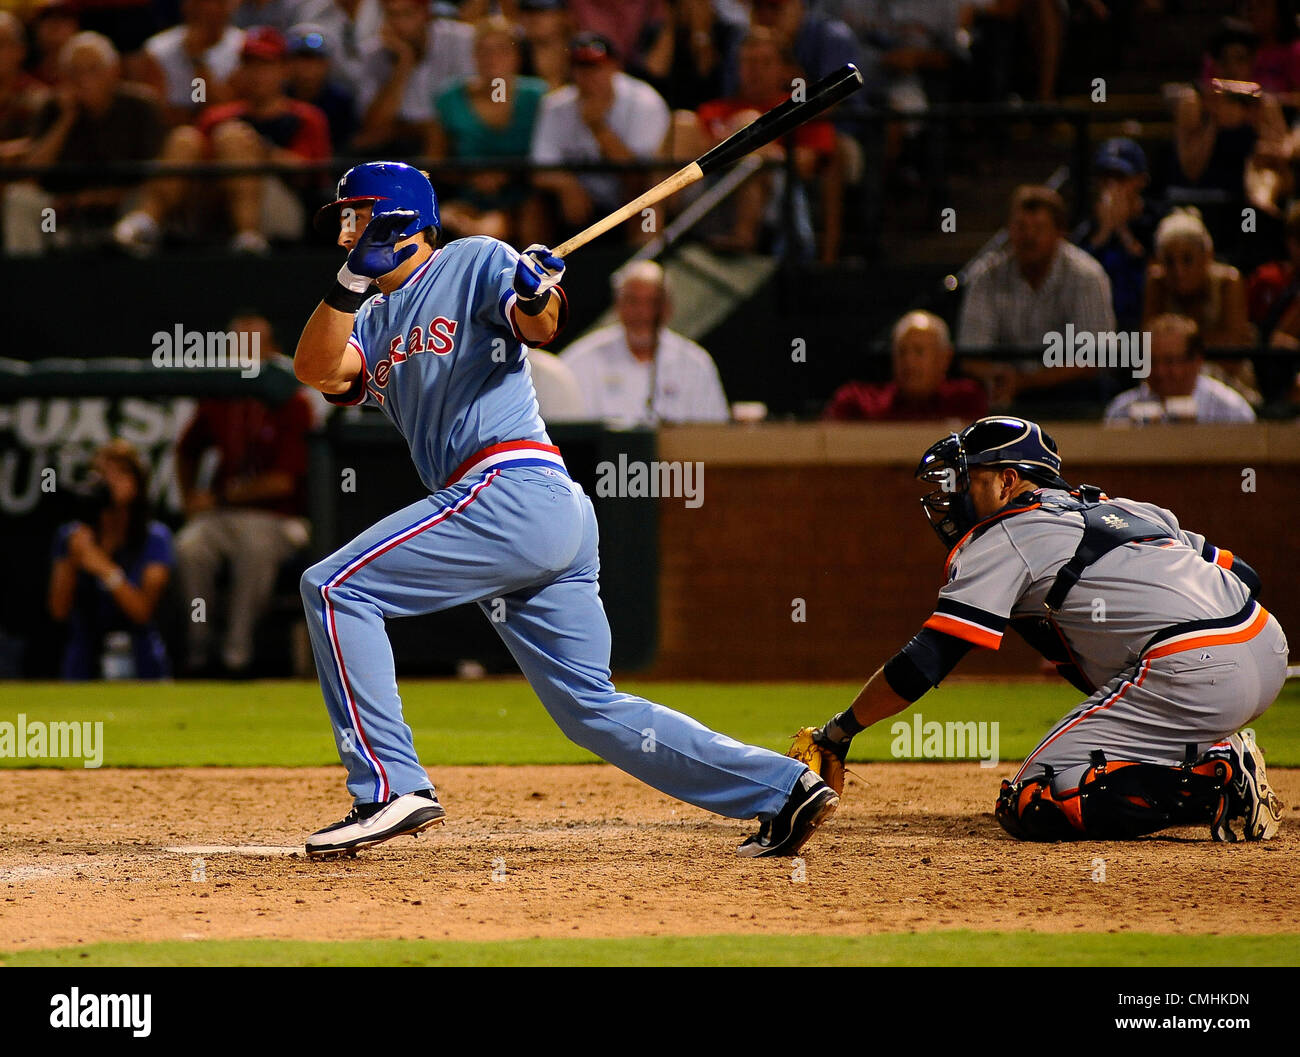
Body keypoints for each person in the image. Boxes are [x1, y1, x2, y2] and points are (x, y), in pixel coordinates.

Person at [292, 161, 834, 858]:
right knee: (591, 711)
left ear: (400, 221)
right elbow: (317, 368)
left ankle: (389, 787)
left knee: (334, 587)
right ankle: (783, 788)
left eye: (355, 216)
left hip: (510, 486)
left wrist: (532, 288)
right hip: (536, 511)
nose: (344, 233)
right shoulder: (369, 315)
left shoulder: (471, 258)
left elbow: (538, 324)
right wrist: (349, 282)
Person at [800, 415, 1286, 842]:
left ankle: (1215, 779)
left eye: (967, 478)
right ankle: (1214, 758)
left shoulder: (1005, 532)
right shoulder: (1124, 508)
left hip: (1189, 669)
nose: (953, 494)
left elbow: (929, 657)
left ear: (1008, 481)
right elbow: (1245, 575)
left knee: (1032, 800)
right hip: (1266, 644)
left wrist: (838, 733)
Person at [173, 312, 314, 676]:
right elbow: (186, 450)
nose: (244, 355)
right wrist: (190, 498)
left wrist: (218, 499)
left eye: (253, 347)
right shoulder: (221, 399)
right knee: (190, 545)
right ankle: (198, 656)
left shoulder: (292, 402)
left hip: (280, 519)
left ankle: (237, 658)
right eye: (237, 347)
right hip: (223, 517)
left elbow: (282, 482)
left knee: (254, 546)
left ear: (273, 352)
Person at [115, 27, 332, 255]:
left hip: (279, 204)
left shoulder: (307, 117)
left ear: (284, 70)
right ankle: (145, 223)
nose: (257, 74)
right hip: (213, 202)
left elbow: (310, 175)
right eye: (250, 65)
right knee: (185, 137)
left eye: (265, 65)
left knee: (233, 137)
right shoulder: (218, 116)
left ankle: (249, 236)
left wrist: (260, 150)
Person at [4, 31, 165, 254]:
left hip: (121, 207)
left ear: (114, 72)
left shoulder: (140, 106)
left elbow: (154, 176)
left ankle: (138, 276)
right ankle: (28, 281)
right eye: (75, 72)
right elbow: (33, 174)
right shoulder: (52, 107)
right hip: (61, 213)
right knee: (21, 199)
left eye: (93, 69)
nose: (83, 79)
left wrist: (102, 197)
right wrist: (66, 119)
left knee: (143, 202)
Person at [957, 185, 1115, 407]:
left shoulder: (1086, 276)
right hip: (1004, 392)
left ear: (1060, 232)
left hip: (1071, 395)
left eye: (1039, 228)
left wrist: (1025, 382)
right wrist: (1002, 378)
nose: (1028, 236)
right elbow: (972, 356)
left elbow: (1095, 359)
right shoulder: (987, 276)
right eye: (1021, 227)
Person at [48, 440, 174, 680]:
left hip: (140, 658)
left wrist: (106, 570)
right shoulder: (73, 537)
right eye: (102, 473)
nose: (109, 481)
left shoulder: (155, 538)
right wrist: (73, 564)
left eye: (120, 473)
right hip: (84, 658)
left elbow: (142, 612)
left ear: (137, 484)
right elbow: (58, 611)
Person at [528, 32, 670, 241]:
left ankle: (643, 261)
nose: (588, 76)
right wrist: (567, 185)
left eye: (595, 67)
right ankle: (535, 268)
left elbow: (638, 172)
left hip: (627, 198)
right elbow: (539, 170)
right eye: (580, 67)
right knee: (535, 201)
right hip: (582, 203)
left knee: (647, 191)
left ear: (614, 66)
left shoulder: (643, 101)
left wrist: (598, 128)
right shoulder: (556, 106)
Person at [560, 260, 730, 425]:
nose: (643, 312)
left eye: (653, 302)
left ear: (668, 308)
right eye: (633, 301)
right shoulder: (580, 360)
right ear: (617, 306)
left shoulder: (696, 363)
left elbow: (714, 435)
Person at [427, 16, 547, 242]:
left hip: (525, 198)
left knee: (520, 218)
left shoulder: (540, 98)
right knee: (443, 223)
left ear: (517, 57)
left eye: (501, 50)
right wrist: (470, 178)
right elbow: (435, 162)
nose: (493, 59)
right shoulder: (449, 99)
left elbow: (550, 154)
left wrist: (506, 177)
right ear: (474, 56)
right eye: (484, 51)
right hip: (468, 197)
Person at [1142, 207, 1260, 404]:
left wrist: (1178, 351)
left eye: (1187, 260)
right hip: (1167, 380)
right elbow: (1147, 347)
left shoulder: (1228, 283)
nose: (1178, 271)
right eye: (1169, 262)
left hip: (1230, 383)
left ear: (1207, 256)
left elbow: (1232, 356)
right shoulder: (1157, 283)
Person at [352, 0, 475, 154]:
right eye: (392, 15)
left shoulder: (462, 40)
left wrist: (429, 128)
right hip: (399, 144)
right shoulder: (373, 53)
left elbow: (474, 106)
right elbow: (373, 125)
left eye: (407, 14)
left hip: (453, 139)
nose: (399, 23)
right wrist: (404, 63)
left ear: (425, 14)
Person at [825, 310, 988, 422]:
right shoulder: (859, 404)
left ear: (945, 358)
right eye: (902, 352)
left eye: (919, 352)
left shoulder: (966, 401)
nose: (909, 362)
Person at [1073, 138, 1161, 332]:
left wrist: (1122, 229)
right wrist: (1104, 232)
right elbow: (1074, 274)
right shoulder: (1087, 228)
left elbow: (1155, 275)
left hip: (1144, 330)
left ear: (1141, 180)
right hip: (1093, 330)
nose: (1111, 186)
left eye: (1120, 178)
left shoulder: (1157, 222)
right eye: (1105, 178)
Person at [1103, 314, 1257, 424]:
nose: (1160, 371)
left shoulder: (1231, 412)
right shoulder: (1121, 411)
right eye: (1151, 361)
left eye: (1170, 361)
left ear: (1196, 361)